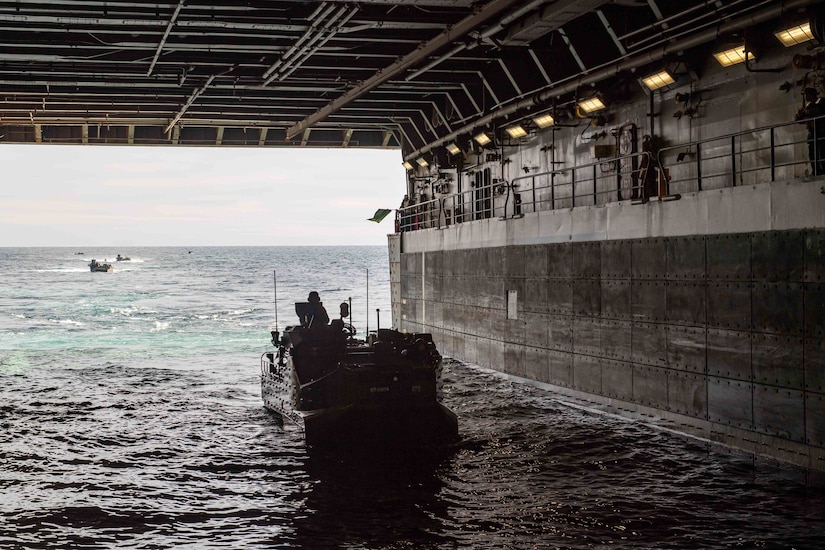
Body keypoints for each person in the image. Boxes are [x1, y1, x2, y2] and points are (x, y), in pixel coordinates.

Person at [796, 87, 825, 176]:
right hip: (812, 132)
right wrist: (799, 116)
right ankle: (816, 170)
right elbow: (801, 120)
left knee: (822, 151)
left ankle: (823, 169)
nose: (805, 97)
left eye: (807, 94)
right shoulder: (808, 106)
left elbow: (820, 113)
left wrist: (809, 113)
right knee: (813, 153)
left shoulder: (822, 102)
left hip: (821, 131)